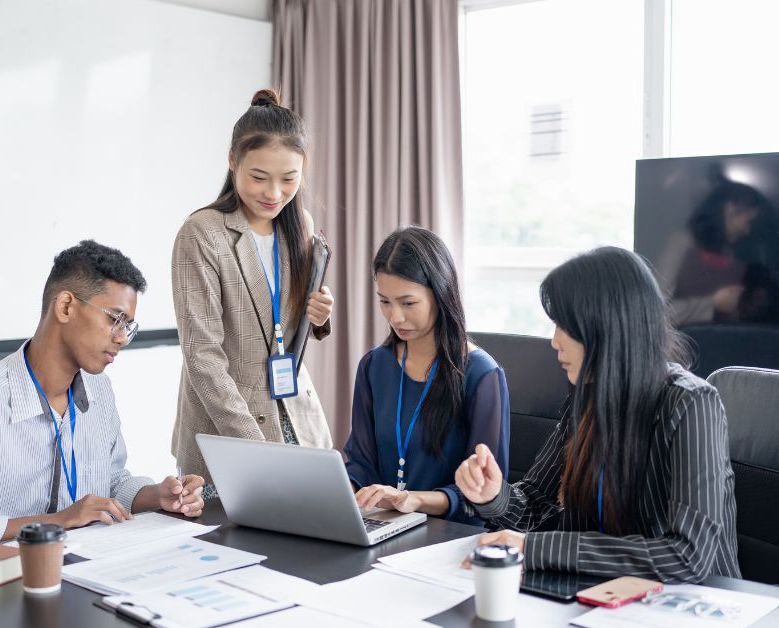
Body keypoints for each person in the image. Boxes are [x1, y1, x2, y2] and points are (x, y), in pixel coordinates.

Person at [456, 246, 740, 583]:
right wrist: (494, 495)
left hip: (695, 604)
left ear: (607, 327)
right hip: (600, 593)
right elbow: (533, 505)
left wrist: (534, 549)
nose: (554, 341)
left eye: (565, 325)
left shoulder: (691, 403)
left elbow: (686, 556)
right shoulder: (587, 397)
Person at [0, 240, 204, 542]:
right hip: (2, 579)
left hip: (85, 568)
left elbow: (111, 484)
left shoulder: (98, 390)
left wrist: (158, 495)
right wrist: (55, 522)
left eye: (128, 326)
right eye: (114, 319)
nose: (123, 338)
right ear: (65, 307)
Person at [171, 89, 335, 494]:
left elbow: (281, 325)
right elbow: (203, 358)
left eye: (289, 179)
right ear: (232, 162)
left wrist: (318, 316)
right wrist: (255, 452)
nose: (274, 194)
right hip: (228, 431)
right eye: (259, 177)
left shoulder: (301, 225)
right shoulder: (202, 234)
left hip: (297, 422)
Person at [346, 226, 510, 525]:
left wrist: (413, 500)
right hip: (380, 526)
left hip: (449, 536)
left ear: (440, 293)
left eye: (408, 303)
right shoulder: (373, 366)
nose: (395, 317)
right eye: (385, 301)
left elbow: (486, 496)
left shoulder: (481, 375)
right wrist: (341, 491)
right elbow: (361, 465)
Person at [656, 177, 771, 325]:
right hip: (681, 343)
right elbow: (657, 310)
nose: (747, 231)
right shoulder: (682, 241)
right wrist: (712, 304)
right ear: (730, 209)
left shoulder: (728, 252)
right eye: (748, 222)